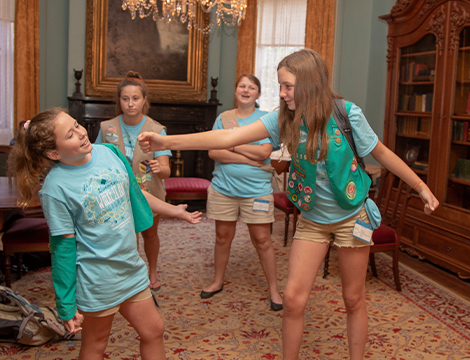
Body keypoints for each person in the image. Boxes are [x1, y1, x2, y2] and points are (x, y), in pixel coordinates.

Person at [137, 49, 440, 360]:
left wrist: (421, 187)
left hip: (353, 216)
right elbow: (228, 138)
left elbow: (383, 153)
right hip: (313, 220)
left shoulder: (347, 113)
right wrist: (167, 142)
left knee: (353, 298)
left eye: (288, 86)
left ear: (310, 82)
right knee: (293, 300)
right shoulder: (283, 117)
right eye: (280, 86)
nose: (281, 93)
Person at [9, 108, 201, 360]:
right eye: (70, 134)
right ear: (53, 153)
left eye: (77, 125)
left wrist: (175, 211)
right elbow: (62, 249)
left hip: (130, 268)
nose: (80, 133)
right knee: (95, 346)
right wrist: (66, 305)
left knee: (154, 330)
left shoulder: (109, 152)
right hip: (98, 280)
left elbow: (135, 193)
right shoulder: (55, 189)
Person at [200, 73, 283, 311]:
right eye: (242, 86)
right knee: (222, 237)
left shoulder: (267, 119)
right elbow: (214, 152)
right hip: (223, 189)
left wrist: (232, 143)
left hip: (256, 191)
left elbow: (264, 153)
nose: (246, 90)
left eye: (252, 87)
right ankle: (217, 281)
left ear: (258, 94)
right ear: (235, 90)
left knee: (263, 240)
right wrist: (247, 156)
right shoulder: (223, 118)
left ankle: (274, 290)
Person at [95, 71, 171, 292]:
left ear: (144, 100)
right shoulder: (106, 127)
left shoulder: (157, 129)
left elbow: (165, 170)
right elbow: (96, 160)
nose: (130, 104)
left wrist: (160, 168)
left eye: (135, 99)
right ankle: (131, 274)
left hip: (150, 192)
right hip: (116, 193)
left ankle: (153, 271)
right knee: (125, 235)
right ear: (119, 100)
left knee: (149, 233)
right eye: (125, 99)